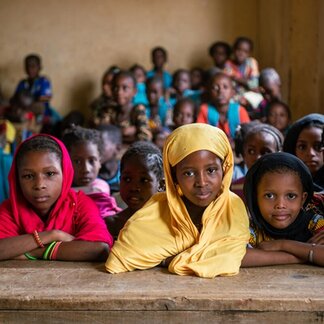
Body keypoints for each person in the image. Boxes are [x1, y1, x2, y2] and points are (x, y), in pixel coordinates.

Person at [105, 124, 249, 278]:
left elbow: (236, 253)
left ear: (225, 169)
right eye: (188, 173)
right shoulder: (153, 214)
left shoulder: (232, 207)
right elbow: (121, 258)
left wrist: (168, 258)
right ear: (173, 177)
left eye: (211, 170)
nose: (201, 182)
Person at [0, 134, 112, 261]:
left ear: (65, 173)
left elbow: (99, 248)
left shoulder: (80, 204)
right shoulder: (10, 209)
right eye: (28, 176)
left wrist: (36, 253)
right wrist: (52, 235)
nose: (39, 185)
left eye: (50, 174)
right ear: (17, 179)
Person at [241, 152, 324, 267]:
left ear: (303, 199)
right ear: (256, 198)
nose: (280, 205)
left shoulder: (315, 223)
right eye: (269, 196)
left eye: (291, 196)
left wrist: (282, 245)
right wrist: (303, 255)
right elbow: (237, 256)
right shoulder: (251, 227)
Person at [105, 141, 164, 240]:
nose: (133, 187)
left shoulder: (171, 221)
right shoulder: (112, 224)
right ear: (120, 180)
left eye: (144, 180)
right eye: (127, 179)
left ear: (161, 185)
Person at [62, 126, 120, 218]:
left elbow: (95, 190)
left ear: (100, 161)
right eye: (77, 161)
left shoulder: (100, 186)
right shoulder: (61, 184)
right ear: (66, 161)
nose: (86, 169)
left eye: (92, 161)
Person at [231, 122, 284, 199]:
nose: (258, 157)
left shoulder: (288, 187)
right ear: (244, 155)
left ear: (278, 155)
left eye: (266, 152)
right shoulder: (234, 189)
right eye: (251, 151)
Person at [197, 72, 250, 144]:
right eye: (215, 88)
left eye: (225, 87)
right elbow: (200, 135)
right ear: (209, 92)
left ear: (232, 92)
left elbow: (248, 136)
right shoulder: (204, 110)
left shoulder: (240, 111)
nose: (220, 91)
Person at [12, 54, 60, 127]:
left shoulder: (43, 81)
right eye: (28, 66)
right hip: (23, 108)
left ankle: (24, 115)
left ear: (40, 67)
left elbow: (46, 98)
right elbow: (13, 99)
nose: (30, 69)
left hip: (38, 111)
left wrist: (30, 100)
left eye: (33, 66)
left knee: (39, 106)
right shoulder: (23, 83)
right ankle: (23, 115)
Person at [106, 71, 152, 144]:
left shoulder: (138, 109)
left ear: (134, 91)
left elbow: (145, 138)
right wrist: (123, 132)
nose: (119, 92)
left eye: (125, 88)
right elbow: (103, 135)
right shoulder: (110, 110)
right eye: (116, 87)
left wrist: (116, 135)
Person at [283, 113, 324, 191]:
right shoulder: (281, 184)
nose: (310, 153)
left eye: (318, 146)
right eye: (302, 147)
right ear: (292, 149)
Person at [97, 124, 123, 193]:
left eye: (100, 144)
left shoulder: (126, 172)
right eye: (93, 144)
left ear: (117, 148)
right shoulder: (88, 174)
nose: (94, 149)